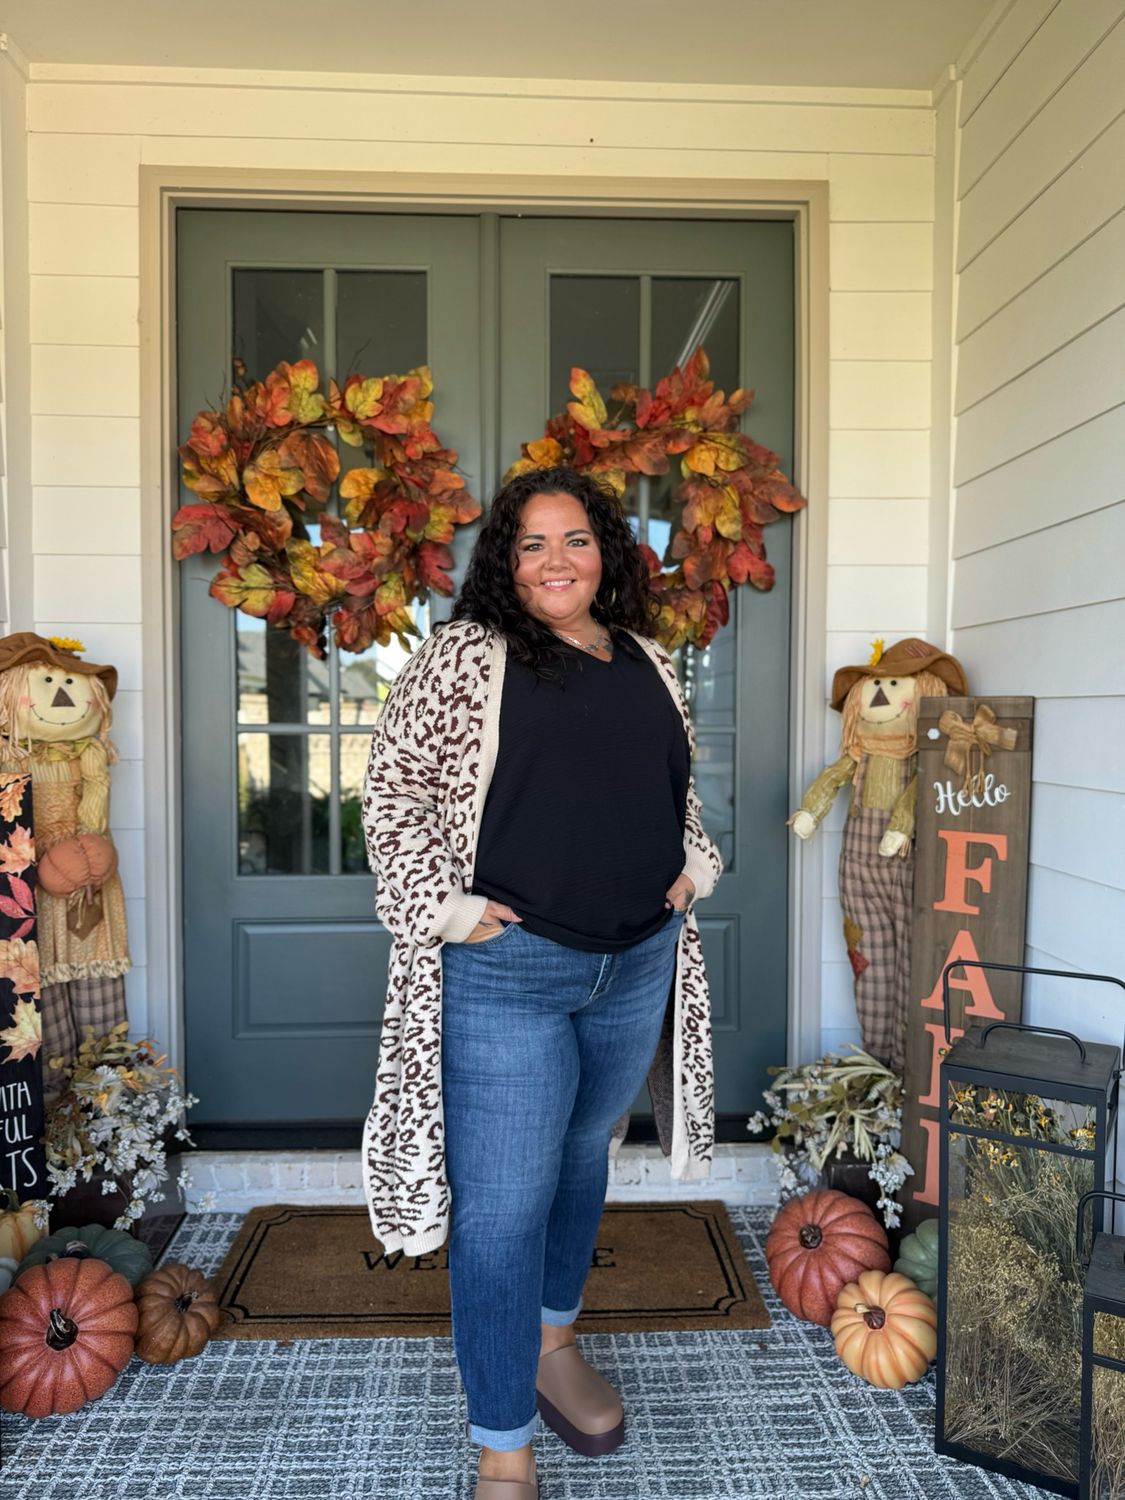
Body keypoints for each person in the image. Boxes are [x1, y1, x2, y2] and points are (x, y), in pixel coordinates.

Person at [361, 466, 723, 1499]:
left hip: (635, 960)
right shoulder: (463, 658)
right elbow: (396, 795)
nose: (555, 560)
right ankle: (504, 1449)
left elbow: (676, 794)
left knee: (578, 1164)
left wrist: (694, 869)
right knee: (504, 1206)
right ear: (504, 562)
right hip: (508, 974)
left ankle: (552, 1346)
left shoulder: (648, 660)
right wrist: (446, 910)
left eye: (574, 540)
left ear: (604, 551)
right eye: (531, 544)